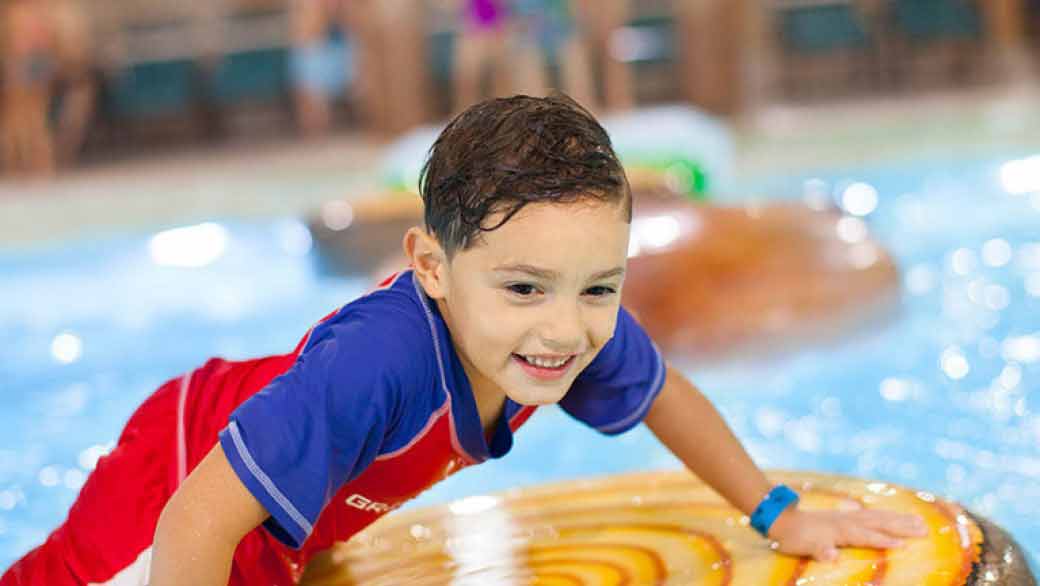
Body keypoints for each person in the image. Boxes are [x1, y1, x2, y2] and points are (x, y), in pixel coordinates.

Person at [1, 94, 927, 586]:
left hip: (277, 513)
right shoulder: (383, 361)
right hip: (175, 484)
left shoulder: (561, 326)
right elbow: (193, 524)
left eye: (599, 286)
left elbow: (666, 395)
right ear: (431, 268)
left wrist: (779, 515)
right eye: (524, 286)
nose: (566, 327)